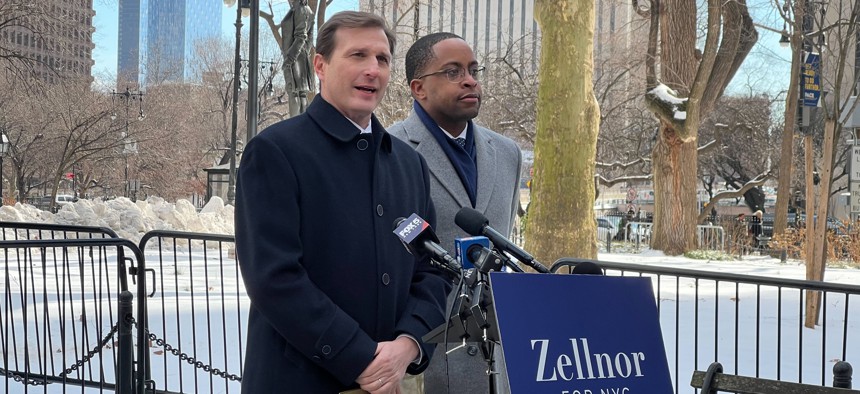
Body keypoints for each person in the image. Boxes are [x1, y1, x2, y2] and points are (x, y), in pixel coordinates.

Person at [235, 12, 451, 393]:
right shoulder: (275, 152)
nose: (373, 70)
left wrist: (408, 344)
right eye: (357, 55)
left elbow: (431, 269)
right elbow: (275, 279)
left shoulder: (409, 164)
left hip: (392, 381)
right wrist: (359, 357)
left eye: (382, 59)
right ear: (320, 65)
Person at [388, 32, 523, 394]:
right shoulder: (388, 150)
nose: (470, 80)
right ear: (419, 88)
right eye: (452, 71)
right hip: (420, 353)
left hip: (495, 356)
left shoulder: (508, 153)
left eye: (473, 70)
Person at [279, 0, 314, 116]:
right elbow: (309, 39)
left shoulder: (300, 8)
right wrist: (303, 53)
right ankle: (300, 127)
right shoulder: (304, 9)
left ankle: (294, 126)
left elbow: (301, 36)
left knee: (293, 91)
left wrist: (289, 59)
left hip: (294, 57)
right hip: (299, 56)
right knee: (300, 93)